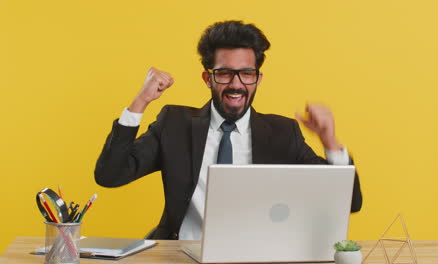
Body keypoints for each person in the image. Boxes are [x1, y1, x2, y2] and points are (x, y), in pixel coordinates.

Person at [95, 20, 362, 240]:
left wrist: (331, 143)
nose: (236, 84)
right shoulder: (174, 123)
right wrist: (139, 102)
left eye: (247, 74)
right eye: (224, 73)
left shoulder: (283, 132)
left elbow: (349, 202)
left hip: (257, 256)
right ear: (207, 78)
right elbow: (110, 174)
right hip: (181, 253)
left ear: (258, 78)